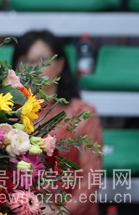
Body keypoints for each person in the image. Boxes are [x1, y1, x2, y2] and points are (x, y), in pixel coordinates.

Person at [12, 31, 103, 215]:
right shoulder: (7, 115)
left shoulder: (82, 114)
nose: (34, 68)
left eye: (41, 60)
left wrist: (59, 212)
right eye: (26, 61)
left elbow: (91, 180)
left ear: (60, 64)